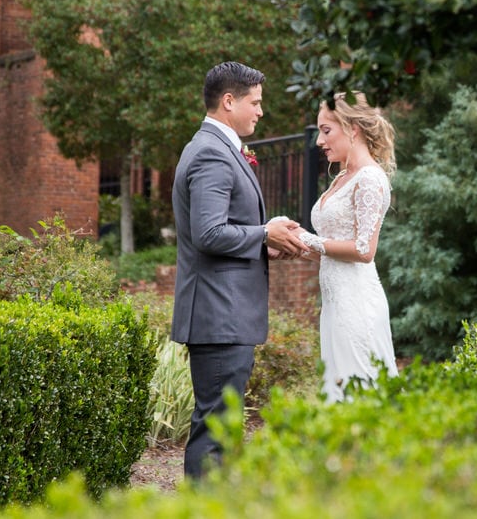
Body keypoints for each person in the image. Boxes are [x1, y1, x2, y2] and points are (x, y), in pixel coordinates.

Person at [170, 61, 307, 480]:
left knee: (221, 427)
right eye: (256, 102)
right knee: (215, 429)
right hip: (219, 316)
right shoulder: (212, 152)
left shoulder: (217, 147)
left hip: (223, 315)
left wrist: (266, 240)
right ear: (229, 101)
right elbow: (209, 233)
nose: (261, 112)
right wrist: (264, 233)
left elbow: (224, 229)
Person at [297, 92, 399, 402]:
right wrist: (293, 243)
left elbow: (364, 250)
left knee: (362, 397)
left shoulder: (369, 178)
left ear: (352, 128)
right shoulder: (342, 177)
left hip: (357, 304)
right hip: (335, 305)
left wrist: (308, 239)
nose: (319, 141)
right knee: (340, 397)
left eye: (326, 131)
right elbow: (330, 247)